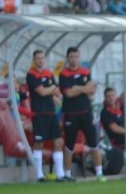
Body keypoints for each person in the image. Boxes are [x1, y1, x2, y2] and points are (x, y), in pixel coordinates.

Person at [59, 46, 105, 181]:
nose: (74, 59)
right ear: (67, 58)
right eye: (71, 57)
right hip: (71, 113)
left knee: (93, 142)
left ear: (79, 57)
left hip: (86, 112)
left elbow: (91, 90)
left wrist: (78, 87)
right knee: (69, 144)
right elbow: (68, 93)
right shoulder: (64, 74)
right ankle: (67, 174)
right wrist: (84, 89)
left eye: (76, 56)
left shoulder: (85, 72)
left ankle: (99, 173)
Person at [26, 50, 65, 182]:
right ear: (34, 59)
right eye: (38, 58)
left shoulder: (49, 73)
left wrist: (53, 92)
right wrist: (51, 90)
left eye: (42, 58)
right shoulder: (31, 75)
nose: (40, 60)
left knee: (58, 141)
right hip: (39, 113)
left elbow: (56, 91)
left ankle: (60, 174)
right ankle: (39, 174)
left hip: (51, 112)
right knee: (39, 143)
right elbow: (41, 92)